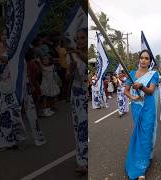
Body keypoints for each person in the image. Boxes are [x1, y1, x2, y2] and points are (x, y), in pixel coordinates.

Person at [0, 30, 28, 151]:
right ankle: (3, 142)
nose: (4, 36)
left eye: (7, 34)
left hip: (9, 86)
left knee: (13, 113)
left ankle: (16, 138)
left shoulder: (14, 51)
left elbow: (9, 61)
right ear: (0, 37)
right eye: (3, 34)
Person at [124, 49, 159, 180]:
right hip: (136, 107)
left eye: (147, 58)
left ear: (150, 61)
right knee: (140, 134)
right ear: (139, 59)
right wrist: (132, 97)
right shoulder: (132, 73)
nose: (144, 60)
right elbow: (126, 90)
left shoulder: (154, 74)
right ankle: (141, 158)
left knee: (146, 134)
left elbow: (150, 91)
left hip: (148, 107)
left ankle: (141, 168)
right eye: (142, 58)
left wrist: (141, 86)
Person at [66, 28, 88, 175]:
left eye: (82, 38)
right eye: (78, 38)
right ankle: (82, 161)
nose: (80, 40)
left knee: (85, 126)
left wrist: (78, 54)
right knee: (79, 128)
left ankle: (86, 157)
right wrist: (71, 70)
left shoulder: (86, 55)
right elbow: (67, 77)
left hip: (86, 94)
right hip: (76, 95)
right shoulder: (71, 56)